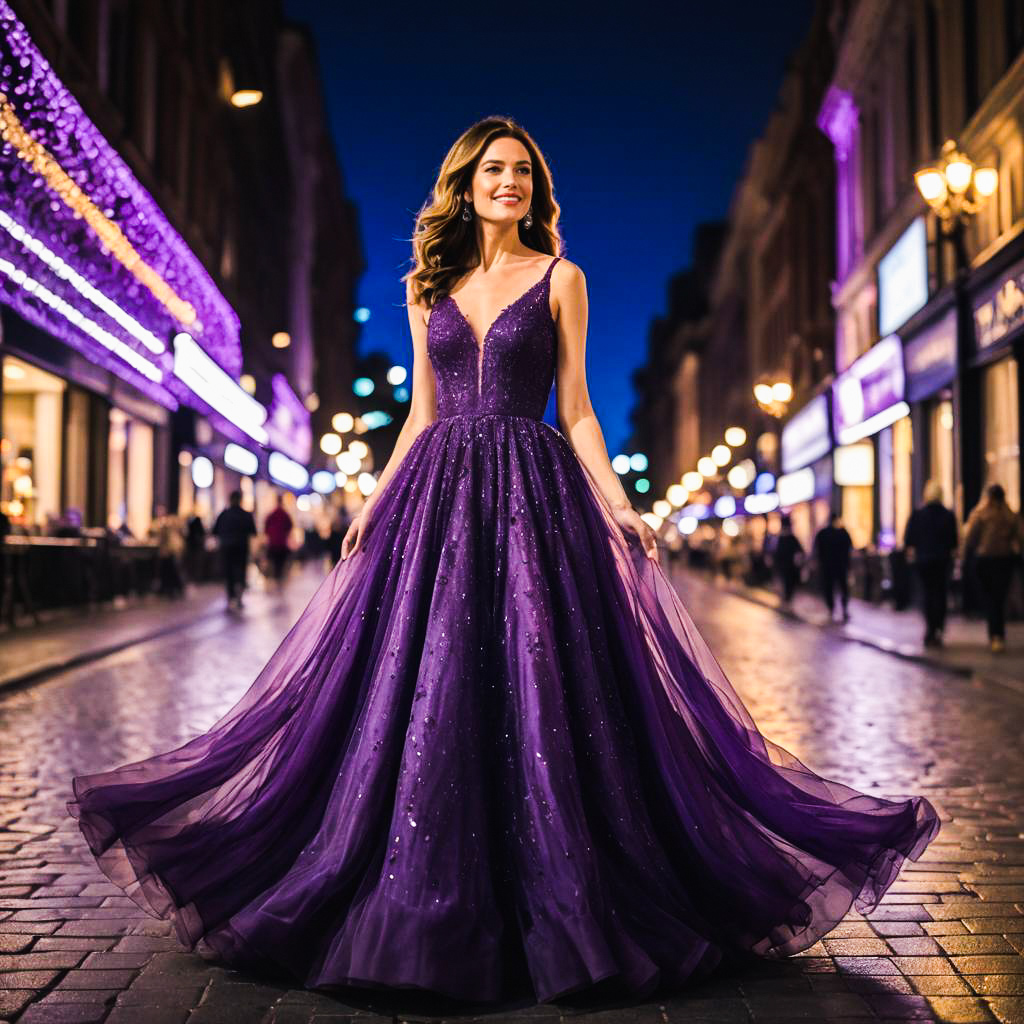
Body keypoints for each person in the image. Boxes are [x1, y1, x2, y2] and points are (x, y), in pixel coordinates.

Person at [68, 117, 939, 1007]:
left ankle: (559, 893)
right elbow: (418, 411)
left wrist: (618, 501)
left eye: (522, 171)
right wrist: (373, 500)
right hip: (436, 501)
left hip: (535, 499)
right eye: (494, 170)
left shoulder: (563, 278)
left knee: (540, 671)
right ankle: (418, 886)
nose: (509, 182)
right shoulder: (426, 286)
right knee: (428, 675)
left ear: (536, 188)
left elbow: (580, 410)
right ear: (466, 183)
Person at [963, 483, 1023, 653]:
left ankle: (994, 635)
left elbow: (970, 538)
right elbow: (1020, 536)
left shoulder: (981, 514)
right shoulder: (1010, 515)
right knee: (1000, 598)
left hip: (985, 561)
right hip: (1005, 561)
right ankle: (999, 635)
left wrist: (968, 554)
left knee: (990, 599)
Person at [903, 481, 959, 646]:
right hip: (942, 561)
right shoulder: (948, 515)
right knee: (940, 594)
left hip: (924, 561)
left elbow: (909, 539)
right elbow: (953, 541)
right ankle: (939, 628)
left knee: (928, 594)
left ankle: (930, 630)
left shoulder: (918, 515)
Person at [212, 490, 256, 609]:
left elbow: (214, 531)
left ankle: (231, 596)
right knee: (241, 572)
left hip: (226, 548)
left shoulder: (224, 515)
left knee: (229, 573)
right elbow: (253, 532)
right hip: (241, 548)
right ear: (240, 500)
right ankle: (239, 597)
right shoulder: (246, 515)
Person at [813, 513, 853, 622]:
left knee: (829, 588)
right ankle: (844, 609)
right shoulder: (843, 532)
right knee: (843, 588)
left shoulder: (822, 533)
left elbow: (817, 550)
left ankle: (831, 609)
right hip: (841, 566)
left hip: (827, 567)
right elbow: (850, 548)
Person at [770, 513, 804, 605]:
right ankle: (786, 600)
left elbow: (800, 551)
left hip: (788, 567)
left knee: (788, 584)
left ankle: (787, 600)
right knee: (785, 584)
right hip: (784, 567)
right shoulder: (782, 539)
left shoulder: (784, 539)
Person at [263, 493, 293, 586]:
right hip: (282, 543)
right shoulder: (284, 514)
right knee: (280, 562)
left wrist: (270, 534)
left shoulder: (272, 514)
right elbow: (290, 526)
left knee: (274, 561)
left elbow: (266, 527)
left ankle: (276, 577)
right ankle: (279, 578)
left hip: (273, 543)